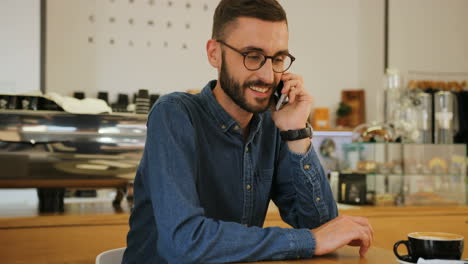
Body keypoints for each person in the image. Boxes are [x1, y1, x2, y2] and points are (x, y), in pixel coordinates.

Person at [122, 0, 373, 263]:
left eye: (277, 59)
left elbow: (324, 229)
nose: (267, 75)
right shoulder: (174, 114)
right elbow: (185, 241)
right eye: (253, 56)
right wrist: (311, 240)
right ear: (214, 53)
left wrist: (297, 132)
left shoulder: (271, 124)